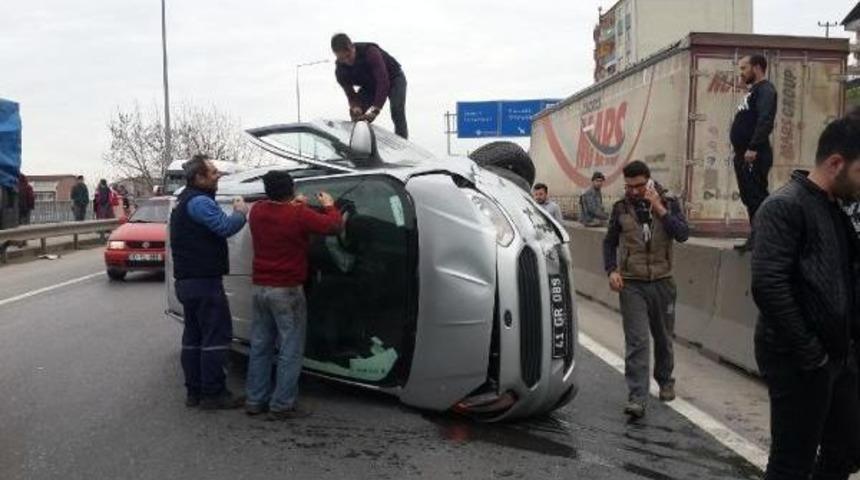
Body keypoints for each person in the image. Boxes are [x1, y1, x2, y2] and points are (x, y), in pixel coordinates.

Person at [751, 115, 860, 480]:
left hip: (837, 356)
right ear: (836, 163)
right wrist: (811, 354)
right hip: (798, 358)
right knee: (791, 463)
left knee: (844, 451)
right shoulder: (785, 206)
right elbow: (769, 284)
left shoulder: (835, 209)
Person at [245, 170, 342, 420]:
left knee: (260, 346)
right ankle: (282, 405)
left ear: (267, 191)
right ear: (291, 189)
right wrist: (330, 206)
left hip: (260, 288)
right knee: (290, 348)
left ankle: (255, 400)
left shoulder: (256, 211)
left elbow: (278, 210)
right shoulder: (298, 214)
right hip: (287, 290)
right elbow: (333, 226)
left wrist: (293, 202)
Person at [602, 161, 689, 419]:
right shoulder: (621, 208)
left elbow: (682, 234)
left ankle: (665, 381)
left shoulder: (670, 202)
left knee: (663, 337)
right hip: (632, 284)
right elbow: (609, 243)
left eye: (639, 186)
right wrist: (611, 270)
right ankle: (637, 396)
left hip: (663, 281)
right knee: (637, 340)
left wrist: (659, 208)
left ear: (649, 181)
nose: (635, 191)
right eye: (629, 186)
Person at [170, 154, 249, 410]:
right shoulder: (201, 202)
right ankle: (214, 394)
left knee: (193, 338)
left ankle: (194, 392)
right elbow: (224, 227)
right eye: (213, 172)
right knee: (216, 337)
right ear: (199, 178)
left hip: (187, 282)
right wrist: (240, 213)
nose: (218, 175)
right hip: (204, 281)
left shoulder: (185, 201)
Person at [730, 54, 777, 252]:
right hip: (743, 154)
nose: (741, 73)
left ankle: (765, 240)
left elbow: (765, 120)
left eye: (744, 68)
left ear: (756, 67)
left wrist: (753, 147)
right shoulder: (753, 91)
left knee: (757, 197)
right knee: (749, 197)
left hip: (754, 154)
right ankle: (756, 238)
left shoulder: (765, 90)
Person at [331, 33, 408, 139]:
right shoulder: (340, 71)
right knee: (355, 113)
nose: (347, 61)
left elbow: (383, 82)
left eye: (348, 56)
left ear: (353, 47)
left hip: (393, 78)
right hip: (370, 86)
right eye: (342, 59)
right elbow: (350, 95)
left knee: (396, 109)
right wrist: (356, 107)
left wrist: (375, 110)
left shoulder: (370, 52)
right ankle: (359, 142)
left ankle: (402, 141)